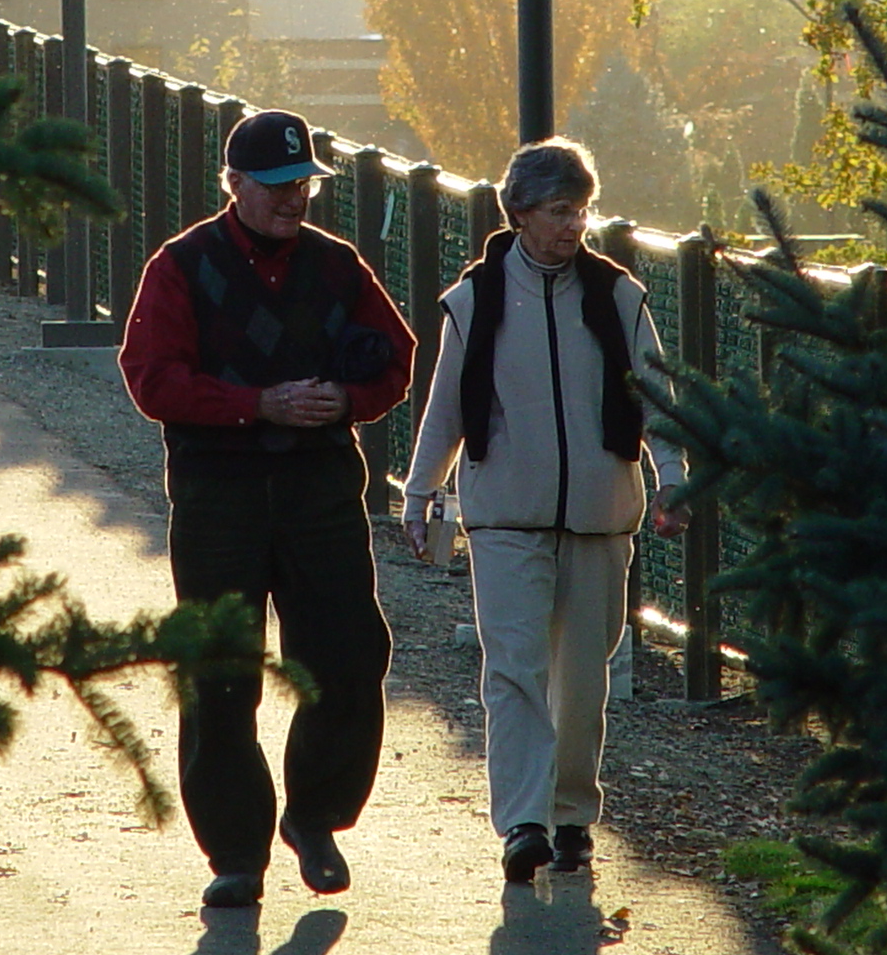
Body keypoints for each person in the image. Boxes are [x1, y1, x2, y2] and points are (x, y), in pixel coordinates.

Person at [119, 108, 416, 910]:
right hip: (219, 494)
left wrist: (347, 399)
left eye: (304, 184)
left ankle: (315, 817)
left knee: (348, 655)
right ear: (235, 183)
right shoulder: (181, 266)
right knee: (221, 672)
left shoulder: (338, 265)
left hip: (322, 489)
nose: (293, 198)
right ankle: (235, 853)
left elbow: (396, 359)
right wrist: (258, 405)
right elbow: (151, 378)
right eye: (278, 184)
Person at [401, 136, 688, 883]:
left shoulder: (618, 296)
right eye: (560, 210)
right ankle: (523, 822)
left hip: (600, 515)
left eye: (582, 210)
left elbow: (655, 397)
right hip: (503, 517)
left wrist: (672, 478)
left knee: (584, 683)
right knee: (514, 672)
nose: (574, 225)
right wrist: (420, 492)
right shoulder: (475, 299)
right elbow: (445, 406)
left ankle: (571, 816)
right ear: (521, 213)